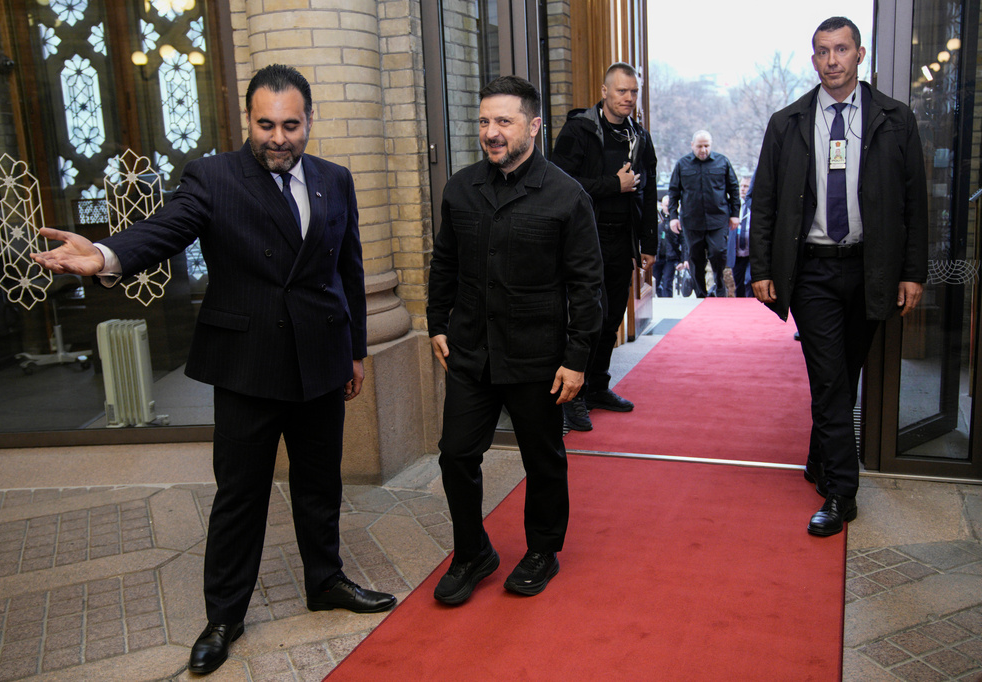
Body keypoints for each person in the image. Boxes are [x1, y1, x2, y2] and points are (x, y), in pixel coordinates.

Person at [30, 64, 396, 674]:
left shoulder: (336, 179)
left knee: (319, 482)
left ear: (310, 121)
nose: (277, 138)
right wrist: (103, 255)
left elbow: (348, 271)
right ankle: (224, 613)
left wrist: (354, 349)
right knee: (240, 495)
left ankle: (325, 579)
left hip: (320, 361)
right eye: (265, 124)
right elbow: (165, 230)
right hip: (248, 365)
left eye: (291, 125)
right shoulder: (213, 177)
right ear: (246, 121)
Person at [427, 76, 603, 605]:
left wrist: (577, 360)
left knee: (542, 458)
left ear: (533, 126)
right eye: (484, 122)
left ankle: (542, 551)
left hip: (537, 357)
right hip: (471, 353)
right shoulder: (460, 188)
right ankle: (472, 552)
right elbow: (446, 264)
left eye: (503, 122)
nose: (491, 132)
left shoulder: (566, 196)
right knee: (456, 454)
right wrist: (438, 321)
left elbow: (586, 285)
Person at [750, 17, 927, 537]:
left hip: (872, 268)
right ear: (813, 60)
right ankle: (841, 493)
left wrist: (912, 271)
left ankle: (818, 459)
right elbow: (764, 199)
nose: (832, 60)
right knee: (829, 378)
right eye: (823, 51)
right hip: (812, 271)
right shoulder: (788, 122)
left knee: (844, 373)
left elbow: (915, 204)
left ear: (860, 54)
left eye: (842, 50)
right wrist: (762, 267)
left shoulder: (896, 120)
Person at [549, 62, 658, 431]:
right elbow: (559, 185)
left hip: (619, 240)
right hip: (583, 242)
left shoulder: (638, 136)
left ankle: (597, 388)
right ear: (604, 91)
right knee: (589, 321)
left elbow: (650, 189)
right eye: (622, 91)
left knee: (611, 321)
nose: (628, 98)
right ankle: (573, 397)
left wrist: (649, 242)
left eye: (633, 92)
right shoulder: (579, 130)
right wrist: (613, 185)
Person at [667, 130, 741, 297]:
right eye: (699, 146)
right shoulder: (682, 165)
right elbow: (674, 193)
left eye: (706, 146)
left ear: (711, 145)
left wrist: (734, 214)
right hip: (692, 220)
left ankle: (720, 285)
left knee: (718, 251)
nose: (703, 150)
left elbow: (733, 189)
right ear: (692, 145)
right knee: (695, 257)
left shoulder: (722, 162)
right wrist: (673, 217)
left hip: (718, 218)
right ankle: (701, 293)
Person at [727, 174, 754, 297]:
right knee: (739, 284)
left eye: (746, 186)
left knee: (749, 280)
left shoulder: (755, 206)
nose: (742, 189)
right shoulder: (734, 205)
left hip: (751, 252)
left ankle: (750, 306)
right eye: (741, 186)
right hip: (736, 253)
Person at [654, 195, 683, 297]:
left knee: (667, 283)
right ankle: (660, 300)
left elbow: (683, 241)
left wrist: (682, 260)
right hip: (657, 256)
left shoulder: (677, 220)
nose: (668, 208)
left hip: (670, 257)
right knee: (655, 283)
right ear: (662, 205)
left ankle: (667, 302)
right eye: (666, 205)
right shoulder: (655, 218)